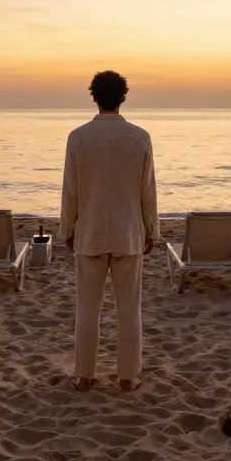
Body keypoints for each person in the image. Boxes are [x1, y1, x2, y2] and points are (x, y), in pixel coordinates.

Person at [60, 70, 159, 393]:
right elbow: (147, 191)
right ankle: (128, 377)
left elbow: (70, 191)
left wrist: (67, 228)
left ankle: (84, 375)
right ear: (123, 97)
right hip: (128, 232)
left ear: (94, 97)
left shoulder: (78, 137)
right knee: (129, 308)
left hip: (89, 232)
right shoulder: (139, 137)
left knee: (87, 308)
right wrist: (151, 230)